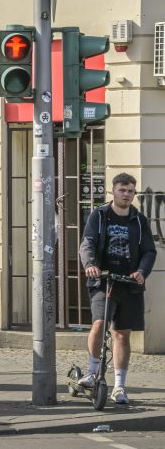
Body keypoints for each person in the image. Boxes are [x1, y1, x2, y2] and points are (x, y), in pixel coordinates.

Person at [78, 172, 156, 404]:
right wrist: (90, 264)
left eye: (131, 191)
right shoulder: (100, 216)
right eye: (123, 190)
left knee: (122, 334)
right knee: (100, 324)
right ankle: (92, 373)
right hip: (103, 280)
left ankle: (119, 386)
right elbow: (88, 242)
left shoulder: (139, 220)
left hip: (129, 284)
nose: (127, 195)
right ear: (113, 191)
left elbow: (149, 251)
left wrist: (141, 271)